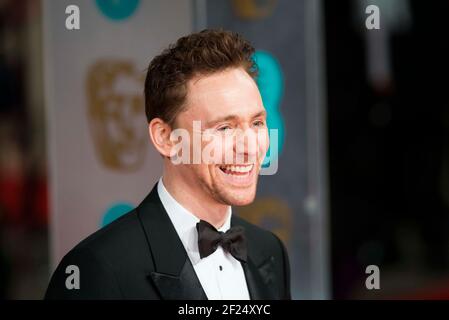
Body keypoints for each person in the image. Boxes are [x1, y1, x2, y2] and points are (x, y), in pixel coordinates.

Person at [45, 29, 291, 300]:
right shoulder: (96, 269)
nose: (249, 147)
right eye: (224, 128)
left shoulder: (269, 251)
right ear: (166, 138)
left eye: (256, 123)